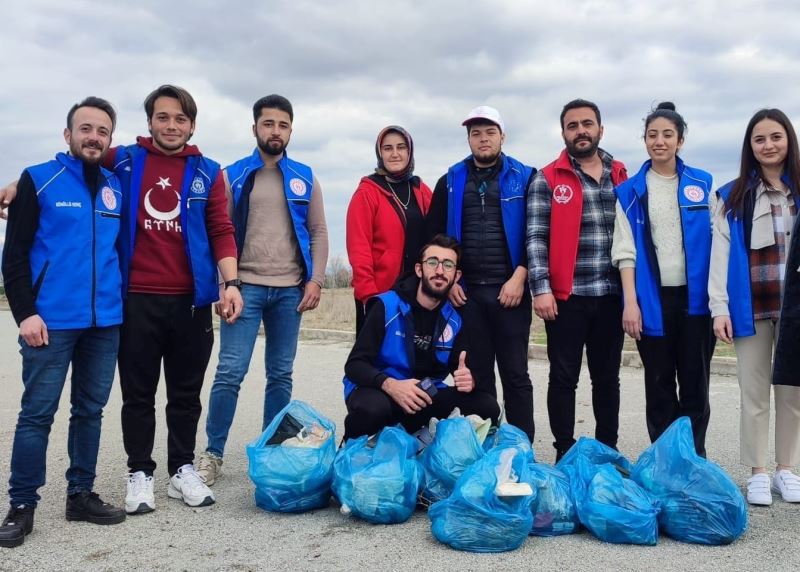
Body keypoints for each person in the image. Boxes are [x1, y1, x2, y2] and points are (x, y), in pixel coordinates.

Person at [0, 97, 126, 548]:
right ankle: (21, 504)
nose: (94, 137)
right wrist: (25, 313)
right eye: (85, 128)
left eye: (103, 131)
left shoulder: (116, 183)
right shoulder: (39, 179)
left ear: (110, 140)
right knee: (37, 415)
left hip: (105, 322)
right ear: (68, 134)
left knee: (89, 411)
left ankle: (81, 495)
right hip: (49, 323)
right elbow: (13, 257)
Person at [195, 95, 328, 487]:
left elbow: (318, 231)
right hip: (244, 288)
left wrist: (316, 279)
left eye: (283, 125)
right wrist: (225, 284)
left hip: (290, 292)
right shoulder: (232, 175)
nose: (275, 131)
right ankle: (213, 454)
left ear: (290, 130)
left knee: (280, 375)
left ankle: (273, 449)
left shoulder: (305, 175)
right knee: (229, 372)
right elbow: (217, 231)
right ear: (255, 128)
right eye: (268, 124)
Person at [426, 106, 535, 441]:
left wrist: (521, 275)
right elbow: (436, 238)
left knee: (516, 374)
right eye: (476, 133)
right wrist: (452, 280)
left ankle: (520, 445)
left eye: (490, 132)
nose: (483, 139)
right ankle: (487, 443)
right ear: (468, 139)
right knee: (478, 374)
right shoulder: (450, 181)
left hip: (510, 291)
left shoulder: (527, 177)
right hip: (467, 294)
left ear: (502, 135)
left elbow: (538, 231)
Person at [527, 98, 628, 462]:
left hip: (611, 295)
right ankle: (564, 452)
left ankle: (607, 452)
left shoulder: (621, 175)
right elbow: (536, 236)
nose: (581, 131)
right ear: (564, 133)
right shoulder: (548, 177)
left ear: (600, 129)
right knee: (563, 378)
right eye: (573, 125)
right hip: (566, 298)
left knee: (607, 379)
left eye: (587, 123)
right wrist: (541, 289)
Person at [611, 102, 715, 456]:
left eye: (667, 135)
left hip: (696, 302)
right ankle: (665, 460)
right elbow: (625, 251)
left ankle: (694, 458)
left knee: (695, 385)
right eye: (652, 135)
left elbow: (717, 241)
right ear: (644, 141)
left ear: (680, 140)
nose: (660, 141)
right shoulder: (630, 191)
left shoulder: (702, 184)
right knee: (658, 385)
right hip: (652, 301)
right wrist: (630, 302)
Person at [709, 108, 800, 506]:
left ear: (788, 140)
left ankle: (786, 469)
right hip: (751, 305)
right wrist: (719, 307)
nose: (768, 145)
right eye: (759, 139)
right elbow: (719, 254)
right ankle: (758, 471)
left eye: (775, 137)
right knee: (754, 392)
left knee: (793, 391)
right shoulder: (733, 196)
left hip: (795, 307)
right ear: (750, 146)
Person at [342, 234, 500, 439]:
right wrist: (392, 385)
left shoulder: (454, 319)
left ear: (457, 276)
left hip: (423, 393)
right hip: (381, 389)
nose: (440, 271)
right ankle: (356, 448)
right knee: (373, 410)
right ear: (419, 269)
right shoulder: (386, 306)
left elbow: (459, 368)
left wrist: (469, 379)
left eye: (448, 265)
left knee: (487, 406)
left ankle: (418, 446)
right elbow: (354, 366)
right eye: (432, 262)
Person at [347, 126, 432, 334]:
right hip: (381, 292)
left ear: (409, 152)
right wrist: (369, 296)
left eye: (401, 147)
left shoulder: (421, 190)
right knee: (377, 360)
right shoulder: (367, 192)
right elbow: (359, 248)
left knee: (414, 359)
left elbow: (436, 236)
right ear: (380, 153)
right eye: (388, 148)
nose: (395, 154)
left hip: (417, 291)